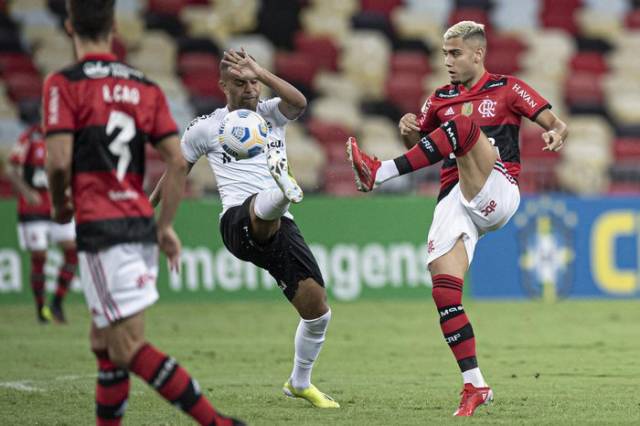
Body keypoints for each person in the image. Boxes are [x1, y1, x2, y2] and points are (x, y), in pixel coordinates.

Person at [347, 21, 568, 416]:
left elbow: (555, 123)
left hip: (498, 190)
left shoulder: (508, 88)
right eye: (444, 54)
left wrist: (555, 134)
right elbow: (423, 148)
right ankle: (475, 385)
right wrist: (408, 133)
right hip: (454, 198)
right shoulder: (438, 99)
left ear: (477, 53)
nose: (447, 61)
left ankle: (378, 173)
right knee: (445, 293)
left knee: (463, 128)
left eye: (455, 53)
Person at [43, 1, 243, 424]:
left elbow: (59, 161)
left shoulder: (64, 83)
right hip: (137, 223)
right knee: (104, 341)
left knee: (127, 346)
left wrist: (61, 204)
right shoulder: (144, 86)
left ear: (68, 27)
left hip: (101, 226)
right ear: (115, 26)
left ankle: (218, 422)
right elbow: (175, 159)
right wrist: (165, 225)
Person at [150, 48, 339, 409]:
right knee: (261, 208)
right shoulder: (205, 127)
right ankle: (280, 191)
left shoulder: (272, 113)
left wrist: (262, 72)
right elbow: (175, 171)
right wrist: (149, 212)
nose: (250, 88)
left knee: (318, 311)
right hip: (237, 220)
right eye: (241, 82)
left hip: (281, 228)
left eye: (254, 81)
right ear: (223, 85)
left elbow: (299, 101)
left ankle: (300, 382)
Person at [7, 123, 77, 323]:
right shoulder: (30, 137)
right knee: (40, 255)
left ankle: (57, 303)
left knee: (72, 250)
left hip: (59, 205)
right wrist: (27, 192)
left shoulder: (68, 136)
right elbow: (11, 168)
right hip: (33, 209)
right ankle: (40, 309)